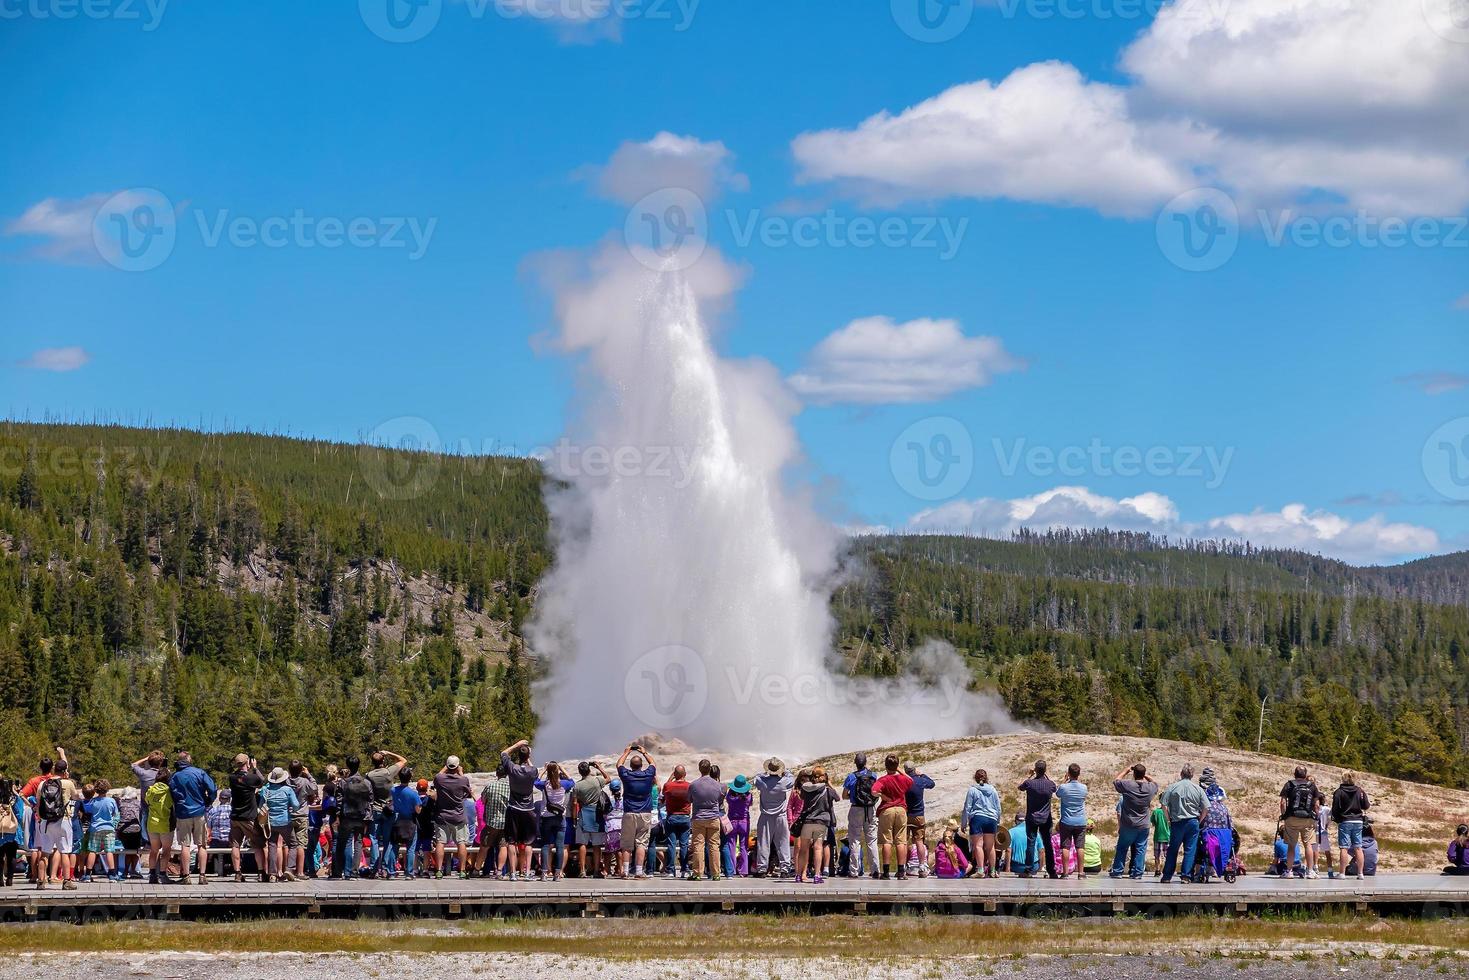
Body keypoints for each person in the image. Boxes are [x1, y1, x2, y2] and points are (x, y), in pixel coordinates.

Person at [168, 752, 216, 885]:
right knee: (202, 845)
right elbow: (212, 789)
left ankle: (186, 876)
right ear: (189, 760)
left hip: (183, 813)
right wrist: (208, 801)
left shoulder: (175, 776)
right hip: (199, 811)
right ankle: (202, 875)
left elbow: (171, 793)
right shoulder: (199, 772)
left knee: (185, 845)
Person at [33, 754, 79, 891]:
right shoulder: (68, 783)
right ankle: (67, 881)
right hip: (63, 820)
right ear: (65, 771)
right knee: (64, 852)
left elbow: (38, 802)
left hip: (46, 822)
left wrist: (40, 817)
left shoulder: (43, 783)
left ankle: (41, 881)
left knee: (45, 853)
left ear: (54, 769)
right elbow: (75, 797)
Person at [615, 743, 657, 880]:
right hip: (645, 813)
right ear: (641, 766)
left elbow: (619, 765)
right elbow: (653, 763)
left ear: (632, 766)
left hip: (629, 812)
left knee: (627, 843)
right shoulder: (648, 775)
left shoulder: (626, 775)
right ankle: (638, 872)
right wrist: (644, 752)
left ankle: (625, 872)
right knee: (641, 843)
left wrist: (626, 752)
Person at [1158, 766, 1206, 884]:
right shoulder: (1198, 789)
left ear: (1181, 774)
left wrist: (1168, 818)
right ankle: (1186, 876)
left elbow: (1163, 804)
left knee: (1173, 849)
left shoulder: (1172, 787)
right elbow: (1206, 807)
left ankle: (1167, 876)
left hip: (1177, 822)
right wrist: (1199, 820)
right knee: (1190, 850)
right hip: (1193, 821)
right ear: (1192, 775)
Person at [364, 750, 407, 878]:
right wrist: (389, 753)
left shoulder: (369, 775)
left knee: (374, 840)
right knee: (388, 840)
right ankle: (386, 868)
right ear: (383, 761)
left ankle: (374, 869)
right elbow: (403, 760)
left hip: (375, 809)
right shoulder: (389, 772)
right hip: (389, 809)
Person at [793, 766, 837, 884]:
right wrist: (829, 783)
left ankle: (798, 875)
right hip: (821, 822)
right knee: (818, 848)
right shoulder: (827, 790)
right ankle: (817, 875)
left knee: (803, 849)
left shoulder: (806, 788)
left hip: (807, 821)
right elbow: (838, 797)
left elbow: (801, 797)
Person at [431, 755, 473, 879]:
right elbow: (468, 791)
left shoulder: (440, 779)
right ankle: (462, 870)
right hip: (458, 816)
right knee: (461, 843)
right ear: (457, 766)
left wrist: (445, 768)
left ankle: (438, 870)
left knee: (440, 842)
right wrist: (460, 772)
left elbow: (437, 776)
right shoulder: (463, 779)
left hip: (442, 816)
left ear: (447, 765)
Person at [873, 753, 913, 880]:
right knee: (901, 841)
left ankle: (886, 872)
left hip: (887, 809)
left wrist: (883, 797)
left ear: (886, 766)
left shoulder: (883, 780)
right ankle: (901, 872)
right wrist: (900, 771)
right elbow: (911, 781)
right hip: (901, 809)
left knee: (886, 840)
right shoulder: (903, 779)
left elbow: (874, 791)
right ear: (897, 766)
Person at [227, 755, 266, 883]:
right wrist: (254, 768)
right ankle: (261, 872)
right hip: (249, 816)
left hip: (235, 816)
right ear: (247, 762)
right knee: (258, 845)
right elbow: (261, 781)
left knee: (235, 845)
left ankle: (237, 873)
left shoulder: (232, 778)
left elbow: (241, 780)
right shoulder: (251, 778)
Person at [752, 757, 793, 877]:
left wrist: (766, 773)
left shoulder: (762, 781)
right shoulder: (784, 782)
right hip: (781, 815)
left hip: (765, 815)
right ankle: (785, 869)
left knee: (763, 843)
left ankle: (762, 869)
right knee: (783, 842)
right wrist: (786, 772)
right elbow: (792, 778)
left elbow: (756, 777)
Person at [1017, 760, 1057, 879]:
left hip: (1032, 817)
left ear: (1035, 769)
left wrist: (1030, 775)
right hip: (1045, 817)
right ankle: (1051, 870)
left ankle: (1028, 870)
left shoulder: (1029, 783)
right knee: (1047, 844)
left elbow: (1020, 787)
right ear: (1045, 770)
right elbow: (1055, 789)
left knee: (1031, 842)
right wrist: (1046, 775)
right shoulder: (1050, 784)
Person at [1279, 765, 1320, 880]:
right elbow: (1316, 805)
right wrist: (1316, 817)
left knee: (1292, 845)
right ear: (1305, 775)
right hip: (1307, 818)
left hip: (1292, 817)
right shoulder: (1312, 786)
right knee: (1308, 844)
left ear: (1294, 774)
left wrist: (1283, 815)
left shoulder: (1289, 784)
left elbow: (1282, 802)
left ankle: (1289, 871)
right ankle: (1310, 871)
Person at [335, 756, 373, 880]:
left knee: (346, 842)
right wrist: (368, 817)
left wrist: (337, 816)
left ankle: (345, 871)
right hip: (361, 816)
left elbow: (339, 801)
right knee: (358, 843)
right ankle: (354, 872)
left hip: (347, 816)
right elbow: (370, 801)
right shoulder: (366, 782)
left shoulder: (343, 782)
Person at [534, 761, 574, 881]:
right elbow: (572, 781)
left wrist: (544, 770)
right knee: (560, 846)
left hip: (546, 817)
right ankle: (557, 873)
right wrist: (562, 768)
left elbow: (535, 781)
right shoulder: (564, 784)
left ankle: (545, 873)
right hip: (560, 818)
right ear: (558, 772)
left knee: (546, 845)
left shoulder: (545, 785)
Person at [842, 753, 879, 879]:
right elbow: (876, 792)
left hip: (856, 808)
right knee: (872, 840)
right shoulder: (873, 775)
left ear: (855, 763)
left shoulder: (851, 777)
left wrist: (853, 796)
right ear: (866, 762)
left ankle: (854, 871)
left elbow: (844, 795)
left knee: (855, 840)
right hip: (870, 809)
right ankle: (875, 870)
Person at [571, 760, 610, 879]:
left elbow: (574, 803)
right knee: (597, 845)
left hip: (584, 814)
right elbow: (608, 778)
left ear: (579, 772)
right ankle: (597, 870)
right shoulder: (597, 780)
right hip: (597, 814)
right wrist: (599, 766)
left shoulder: (577, 786)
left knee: (582, 844)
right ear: (589, 770)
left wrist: (574, 819)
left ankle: (583, 870)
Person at [261, 767, 301, 882]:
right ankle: (289, 868)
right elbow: (296, 805)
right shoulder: (287, 790)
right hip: (285, 821)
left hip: (270, 822)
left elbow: (261, 806)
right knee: (293, 844)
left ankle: (272, 874)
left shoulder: (265, 790)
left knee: (272, 845)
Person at [688, 759, 724, 881]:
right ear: (710, 769)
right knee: (714, 846)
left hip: (698, 817)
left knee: (698, 846)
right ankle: (716, 873)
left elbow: (690, 799)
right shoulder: (718, 785)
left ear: (699, 769)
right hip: (713, 817)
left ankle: (697, 873)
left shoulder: (693, 785)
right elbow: (720, 801)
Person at [1330, 771, 1369, 881]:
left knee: (1344, 847)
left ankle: (1342, 873)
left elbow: (1335, 808)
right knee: (1358, 847)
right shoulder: (1360, 791)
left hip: (1345, 820)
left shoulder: (1339, 792)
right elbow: (1366, 805)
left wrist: (1337, 819)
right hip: (1358, 821)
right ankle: (1360, 873)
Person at [961, 768, 1001, 878]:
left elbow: (967, 807)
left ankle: (980, 870)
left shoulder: (972, 790)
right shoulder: (993, 789)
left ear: (975, 778)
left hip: (978, 818)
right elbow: (998, 807)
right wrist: (997, 821)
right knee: (990, 846)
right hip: (991, 819)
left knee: (978, 845)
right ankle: (993, 870)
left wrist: (963, 823)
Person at [1055, 763, 1088, 879]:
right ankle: (1081, 872)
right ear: (1079, 774)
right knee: (1080, 847)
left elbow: (1058, 794)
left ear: (1069, 773)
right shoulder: (1084, 788)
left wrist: (1064, 781)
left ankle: (1065, 872)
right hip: (1080, 820)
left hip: (1067, 820)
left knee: (1065, 847)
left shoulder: (1064, 787)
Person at [903, 761, 935, 878]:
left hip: (906, 815)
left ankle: (903, 866)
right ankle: (922, 866)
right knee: (919, 841)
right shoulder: (920, 781)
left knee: (904, 842)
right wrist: (922, 775)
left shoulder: (904, 781)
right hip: (918, 815)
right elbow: (932, 784)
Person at [287, 761, 318, 880]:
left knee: (288, 844)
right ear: (301, 771)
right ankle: (300, 872)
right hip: (301, 815)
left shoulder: (286, 782)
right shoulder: (305, 782)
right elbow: (314, 788)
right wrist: (308, 775)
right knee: (301, 845)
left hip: (289, 815)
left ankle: (288, 869)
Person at [660, 764, 693, 879]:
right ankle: (684, 869)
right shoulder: (689, 786)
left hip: (672, 817)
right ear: (685, 774)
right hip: (685, 818)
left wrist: (671, 778)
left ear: (674, 774)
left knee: (671, 845)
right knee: (684, 845)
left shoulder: (668, 785)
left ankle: (670, 870)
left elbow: (662, 795)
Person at [1200, 771, 1233, 877]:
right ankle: (1214, 869)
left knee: (1201, 847)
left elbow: (1202, 820)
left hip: (1210, 835)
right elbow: (1230, 823)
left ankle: (1199, 870)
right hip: (1223, 837)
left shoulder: (1206, 805)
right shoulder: (1224, 808)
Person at [389, 767, 420, 877]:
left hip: (397, 820)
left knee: (394, 846)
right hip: (410, 821)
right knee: (410, 848)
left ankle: (391, 872)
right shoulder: (413, 794)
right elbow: (418, 810)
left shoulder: (393, 790)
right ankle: (409, 872)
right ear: (410, 778)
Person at [144, 766, 173, 884]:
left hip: (152, 823)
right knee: (166, 850)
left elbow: (147, 801)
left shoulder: (151, 789)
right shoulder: (169, 790)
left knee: (154, 850)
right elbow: (172, 804)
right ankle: (162, 874)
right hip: (165, 823)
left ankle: (152, 875)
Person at [480, 773, 510, 878]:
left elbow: (482, 800)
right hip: (505, 823)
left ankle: (477, 869)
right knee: (503, 846)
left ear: (497, 773)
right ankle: (500, 871)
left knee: (484, 846)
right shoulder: (511, 787)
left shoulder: (491, 786)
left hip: (491, 822)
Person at [726, 774, 752, 877]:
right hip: (744, 822)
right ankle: (743, 870)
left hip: (732, 821)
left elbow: (728, 801)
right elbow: (749, 804)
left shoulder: (730, 796)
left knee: (731, 846)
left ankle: (731, 869)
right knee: (743, 846)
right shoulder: (748, 796)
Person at [0, 778, 23, 887]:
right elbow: (20, 814)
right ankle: (10, 879)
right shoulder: (15, 798)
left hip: (1, 829)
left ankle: (0, 879)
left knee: (0, 856)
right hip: (12, 831)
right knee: (11, 855)